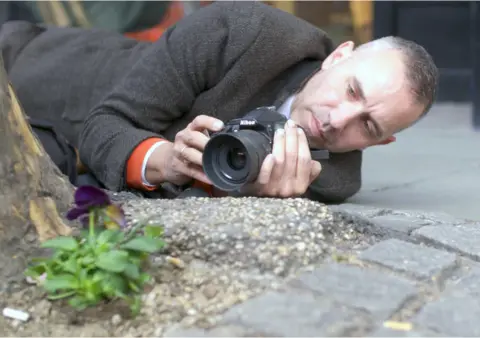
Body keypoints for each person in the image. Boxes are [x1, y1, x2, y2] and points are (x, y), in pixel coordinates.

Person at [0, 1, 438, 202]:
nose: (338, 120)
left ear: (380, 144)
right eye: (352, 91)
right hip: (35, 70)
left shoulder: (331, 179)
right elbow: (107, 123)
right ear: (337, 58)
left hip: (49, 152)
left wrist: (255, 196)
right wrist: (166, 160)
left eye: (369, 126)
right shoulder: (244, 31)